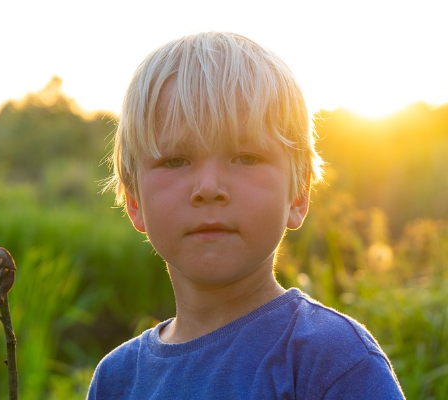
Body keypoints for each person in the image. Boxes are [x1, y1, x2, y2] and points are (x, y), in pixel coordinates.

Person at [88, 31, 404, 399]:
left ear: (298, 194)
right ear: (134, 201)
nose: (208, 186)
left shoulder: (332, 359)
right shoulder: (117, 380)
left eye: (246, 158)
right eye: (175, 160)